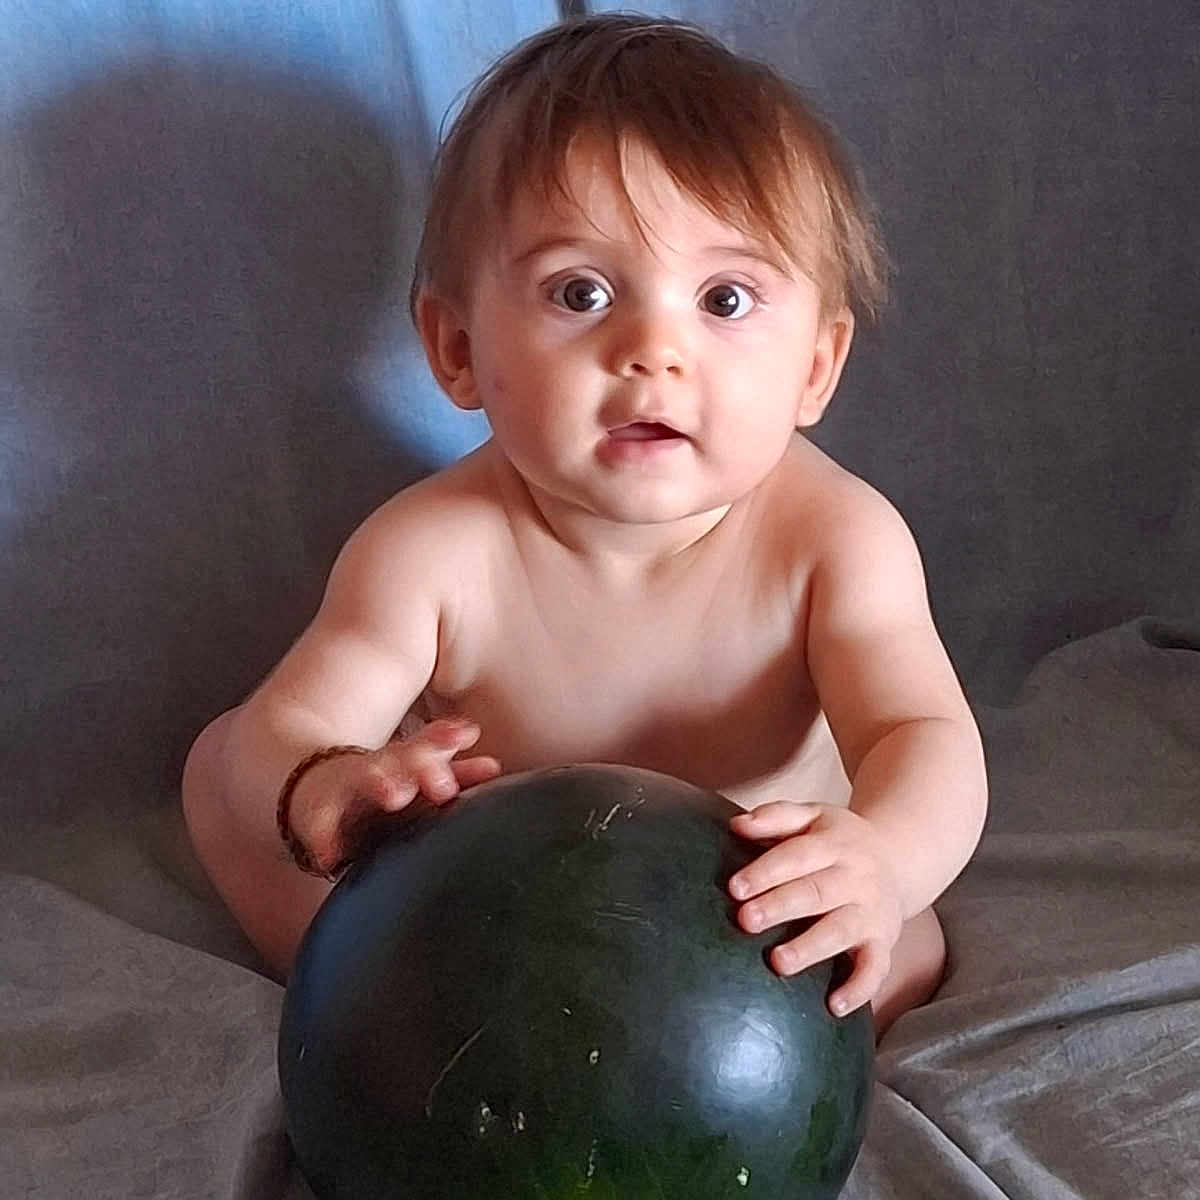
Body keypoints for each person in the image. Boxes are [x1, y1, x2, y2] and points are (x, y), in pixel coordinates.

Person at [182, 13, 987, 1037]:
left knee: (903, 948)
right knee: (225, 773)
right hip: (507, 909)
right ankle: (388, 1003)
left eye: (725, 298)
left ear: (816, 369)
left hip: (742, 908)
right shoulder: (431, 551)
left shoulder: (836, 541)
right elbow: (289, 727)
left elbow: (925, 737)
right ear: (458, 347)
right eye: (582, 291)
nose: (654, 350)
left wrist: (881, 859)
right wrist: (333, 783)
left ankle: (721, 1034)